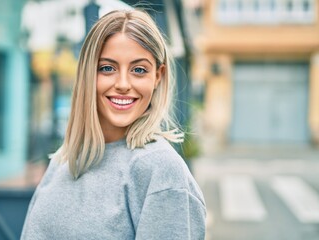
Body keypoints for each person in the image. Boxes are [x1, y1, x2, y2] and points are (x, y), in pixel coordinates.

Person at [21, 9, 206, 240]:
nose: (123, 84)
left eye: (139, 70)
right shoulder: (64, 159)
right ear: (88, 73)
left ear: (158, 76)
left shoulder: (160, 170)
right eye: (107, 68)